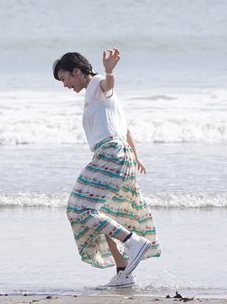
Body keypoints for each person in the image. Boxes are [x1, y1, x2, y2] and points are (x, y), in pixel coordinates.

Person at [53, 48, 160, 289]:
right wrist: (135, 157)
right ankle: (124, 273)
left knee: (78, 208)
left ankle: (133, 242)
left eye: (65, 79)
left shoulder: (97, 84)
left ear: (77, 71)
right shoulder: (97, 99)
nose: (65, 85)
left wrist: (110, 70)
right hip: (119, 154)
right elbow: (126, 129)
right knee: (105, 214)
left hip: (110, 153)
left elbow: (108, 83)